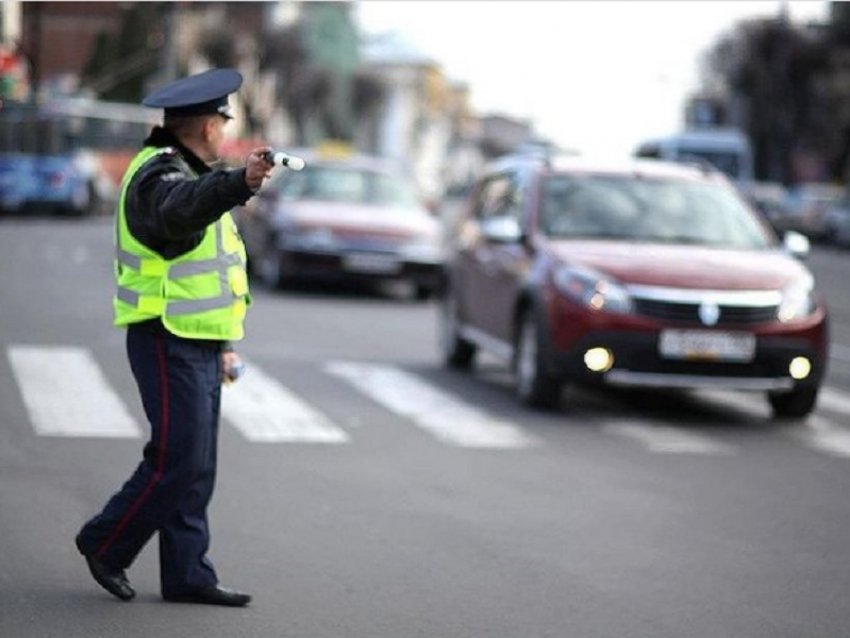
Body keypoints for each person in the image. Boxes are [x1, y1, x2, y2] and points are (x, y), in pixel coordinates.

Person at [74, 68, 273, 607]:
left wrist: (225, 342)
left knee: (196, 463)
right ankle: (105, 542)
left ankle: (188, 572)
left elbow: (213, 268)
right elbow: (178, 212)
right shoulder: (157, 176)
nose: (225, 132)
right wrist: (238, 182)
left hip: (200, 339)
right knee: (177, 459)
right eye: (222, 121)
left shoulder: (187, 170)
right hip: (165, 335)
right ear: (209, 126)